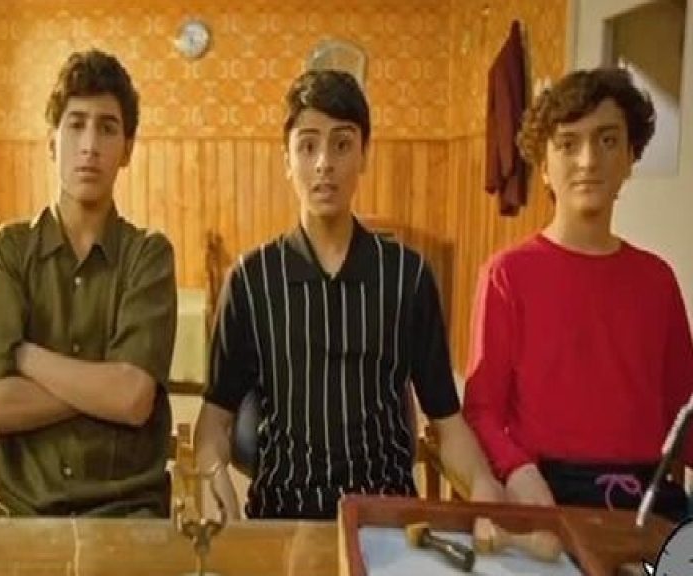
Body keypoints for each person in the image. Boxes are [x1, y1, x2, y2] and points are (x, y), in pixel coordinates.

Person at [194, 69, 501, 519]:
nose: (324, 163)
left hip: (385, 519)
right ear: (287, 160)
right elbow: (214, 424)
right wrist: (214, 480)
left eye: (341, 144)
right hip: (283, 516)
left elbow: (448, 425)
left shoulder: (408, 276)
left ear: (363, 156)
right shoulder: (250, 280)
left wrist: (484, 486)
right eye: (307, 146)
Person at [463, 67, 693, 522]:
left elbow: (684, 413)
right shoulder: (507, 274)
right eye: (568, 144)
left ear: (630, 157)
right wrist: (516, 469)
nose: (588, 161)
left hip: (649, 504)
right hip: (547, 496)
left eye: (607, 141)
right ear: (544, 166)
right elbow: (482, 411)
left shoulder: (657, 280)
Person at [0, 49, 177, 517]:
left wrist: (25, 357)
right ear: (52, 141)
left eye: (107, 128)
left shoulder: (149, 255)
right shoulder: (10, 249)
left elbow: (132, 399)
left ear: (127, 150)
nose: (89, 146)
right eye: (76, 125)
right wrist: (102, 386)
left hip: (126, 509)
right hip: (21, 509)